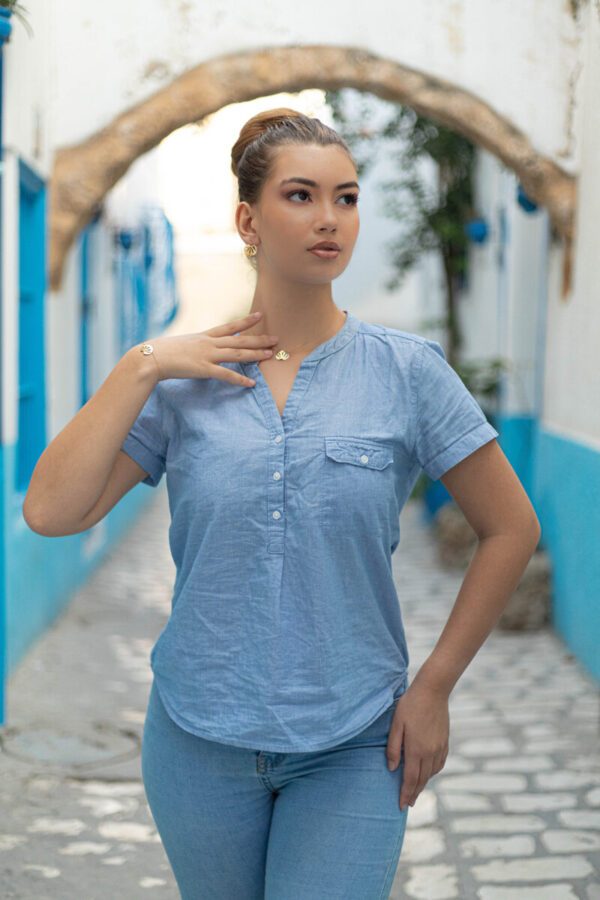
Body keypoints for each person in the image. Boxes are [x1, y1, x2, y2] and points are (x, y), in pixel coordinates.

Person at [23, 108, 541, 900]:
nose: (330, 219)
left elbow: (510, 529)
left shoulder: (408, 373)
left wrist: (434, 687)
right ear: (248, 218)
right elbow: (53, 513)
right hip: (197, 737)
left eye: (347, 197)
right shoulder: (183, 381)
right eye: (301, 195)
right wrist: (143, 364)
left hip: (356, 740)